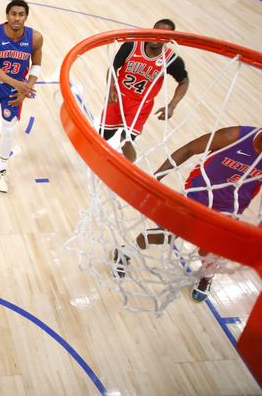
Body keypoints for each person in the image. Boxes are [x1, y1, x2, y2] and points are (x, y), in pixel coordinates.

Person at [112, 126, 262, 302]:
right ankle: (125, 251)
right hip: (198, 193)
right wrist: (156, 177)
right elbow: (189, 148)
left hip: (231, 207)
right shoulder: (234, 136)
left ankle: (206, 277)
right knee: (166, 235)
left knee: (212, 250)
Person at [0, 0, 44, 194]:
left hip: (15, 91)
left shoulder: (35, 38)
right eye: (13, 14)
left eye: (20, 14)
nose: (16, 18)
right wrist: (21, 86)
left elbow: (36, 65)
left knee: (9, 130)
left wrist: (27, 87)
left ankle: (3, 169)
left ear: (26, 16)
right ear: (7, 16)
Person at [99, 19, 189, 163]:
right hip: (118, 98)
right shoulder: (131, 46)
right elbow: (113, 67)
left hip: (141, 105)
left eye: (163, 35)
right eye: (155, 32)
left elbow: (184, 82)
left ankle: (130, 168)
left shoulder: (172, 59)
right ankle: (95, 158)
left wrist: (172, 105)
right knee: (104, 135)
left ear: (169, 39)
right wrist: (110, 88)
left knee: (126, 140)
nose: (156, 38)